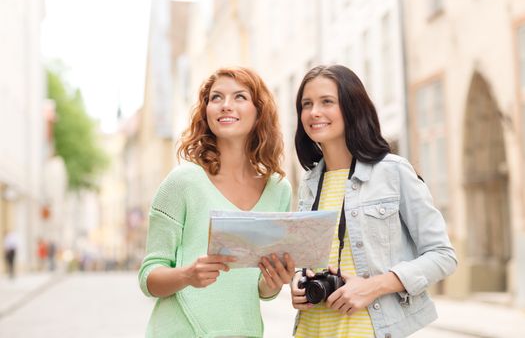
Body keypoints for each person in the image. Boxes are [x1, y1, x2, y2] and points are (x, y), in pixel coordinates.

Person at [290, 65, 457, 338]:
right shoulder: (309, 183)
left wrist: (374, 286)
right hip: (310, 330)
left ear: (351, 107)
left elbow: (443, 256)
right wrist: (297, 279)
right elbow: (306, 260)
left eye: (327, 102)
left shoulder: (393, 171)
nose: (313, 112)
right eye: (306, 104)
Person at [138, 67, 295, 338]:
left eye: (239, 97)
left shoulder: (278, 191)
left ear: (259, 111)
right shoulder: (183, 182)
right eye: (216, 98)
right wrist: (187, 275)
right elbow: (149, 276)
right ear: (206, 110)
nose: (225, 106)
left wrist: (274, 281)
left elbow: (260, 288)